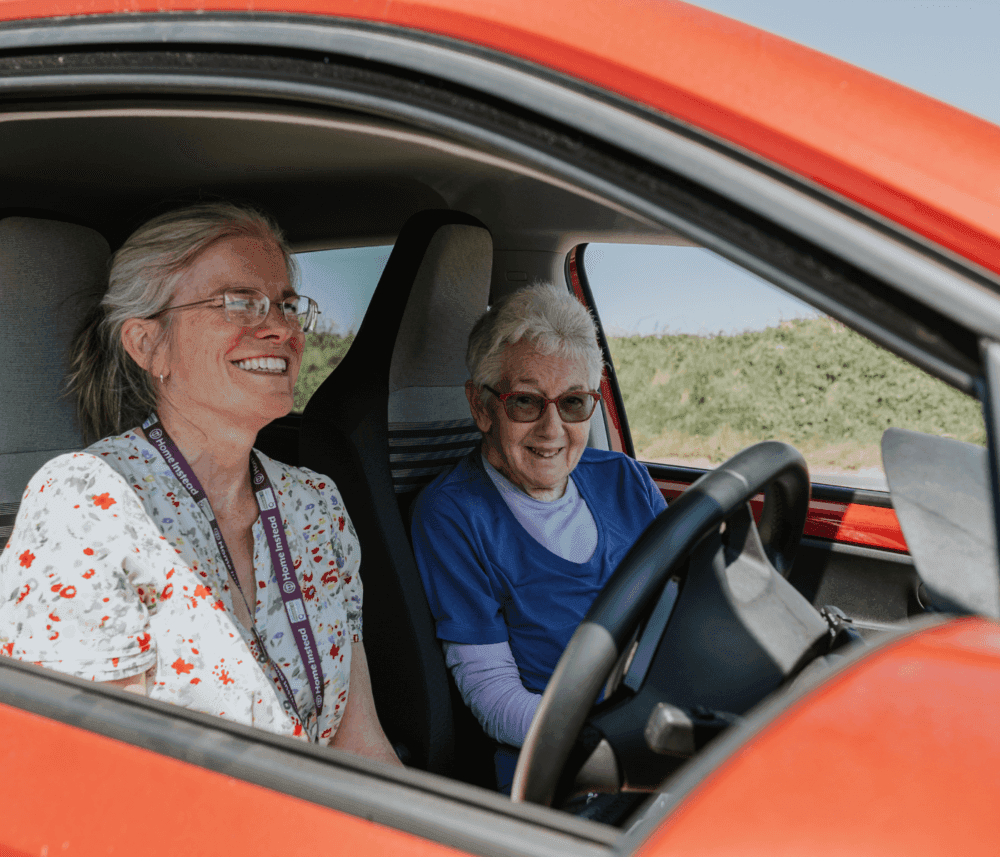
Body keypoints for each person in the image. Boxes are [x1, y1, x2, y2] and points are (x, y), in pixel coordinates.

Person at [0, 202, 400, 764]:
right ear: (147, 345)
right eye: (239, 302)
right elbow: (99, 783)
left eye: (287, 305)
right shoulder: (89, 504)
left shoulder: (317, 504)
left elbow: (360, 741)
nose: (281, 328)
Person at [410, 283, 666, 791]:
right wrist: (608, 742)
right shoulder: (453, 515)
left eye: (573, 403)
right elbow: (492, 695)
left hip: (667, 717)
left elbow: (692, 599)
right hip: (571, 769)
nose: (553, 430)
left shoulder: (624, 478)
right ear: (482, 406)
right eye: (525, 402)